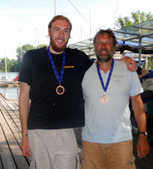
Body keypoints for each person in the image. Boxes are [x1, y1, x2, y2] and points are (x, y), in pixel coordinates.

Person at [18, 15, 136, 169]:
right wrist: (24, 135)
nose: (61, 35)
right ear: (49, 31)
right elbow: (23, 97)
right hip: (38, 130)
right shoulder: (32, 57)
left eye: (66, 31)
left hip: (68, 131)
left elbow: (99, 67)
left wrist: (122, 60)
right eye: (57, 29)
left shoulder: (78, 57)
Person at [81, 29, 150, 169]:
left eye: (108, 43)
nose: (103, 46)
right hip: (91, 144)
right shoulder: (85, 73)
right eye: (100, 43)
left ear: (114, 47)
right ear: (95, 46)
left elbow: (138, 105)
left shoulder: (128, 70)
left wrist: (143, 135)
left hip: (121, 142)